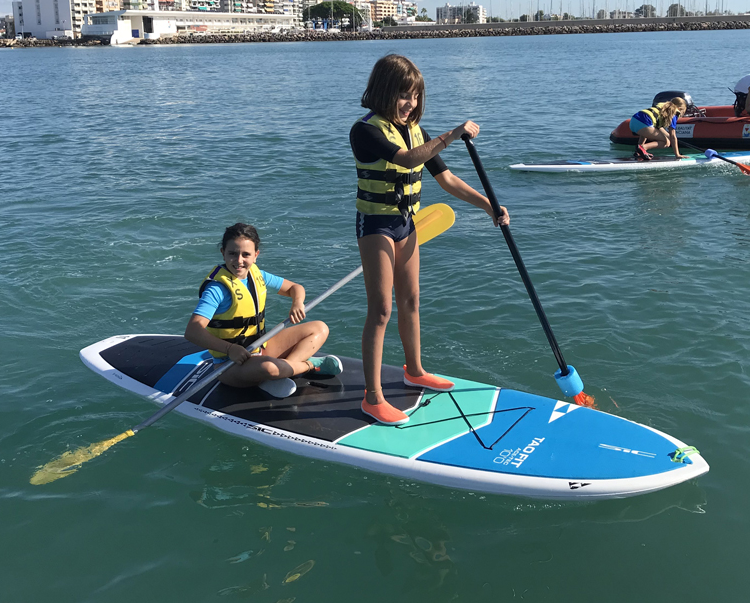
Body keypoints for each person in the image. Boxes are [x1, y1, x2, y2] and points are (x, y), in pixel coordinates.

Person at [351, 54, 509, 426]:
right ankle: (372, 397)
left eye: (416, 96)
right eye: (404, 96)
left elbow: (448, 181)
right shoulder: (365, 130)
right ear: (383, 92)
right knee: (381, 309)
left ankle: (415, 370)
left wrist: (490, 206)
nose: (411, 104)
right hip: (376, 225)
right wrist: (451, 134)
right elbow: (406, 161)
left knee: (411, 300)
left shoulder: (417, 131)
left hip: (407, 224)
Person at [184, 223, 340, 399]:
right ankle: (310, 366)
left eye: (246, 254)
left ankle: (282, 372)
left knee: (320, 328)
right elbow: (192, 331)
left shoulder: (257, 275)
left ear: (256, 255)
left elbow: (295, 287)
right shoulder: (217, 289)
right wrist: (230, 349)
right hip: (231, 365)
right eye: (233, 253)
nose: (239, 260)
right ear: (223, 253)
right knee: (270, 368)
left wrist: (297, 302)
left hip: (260, 349)